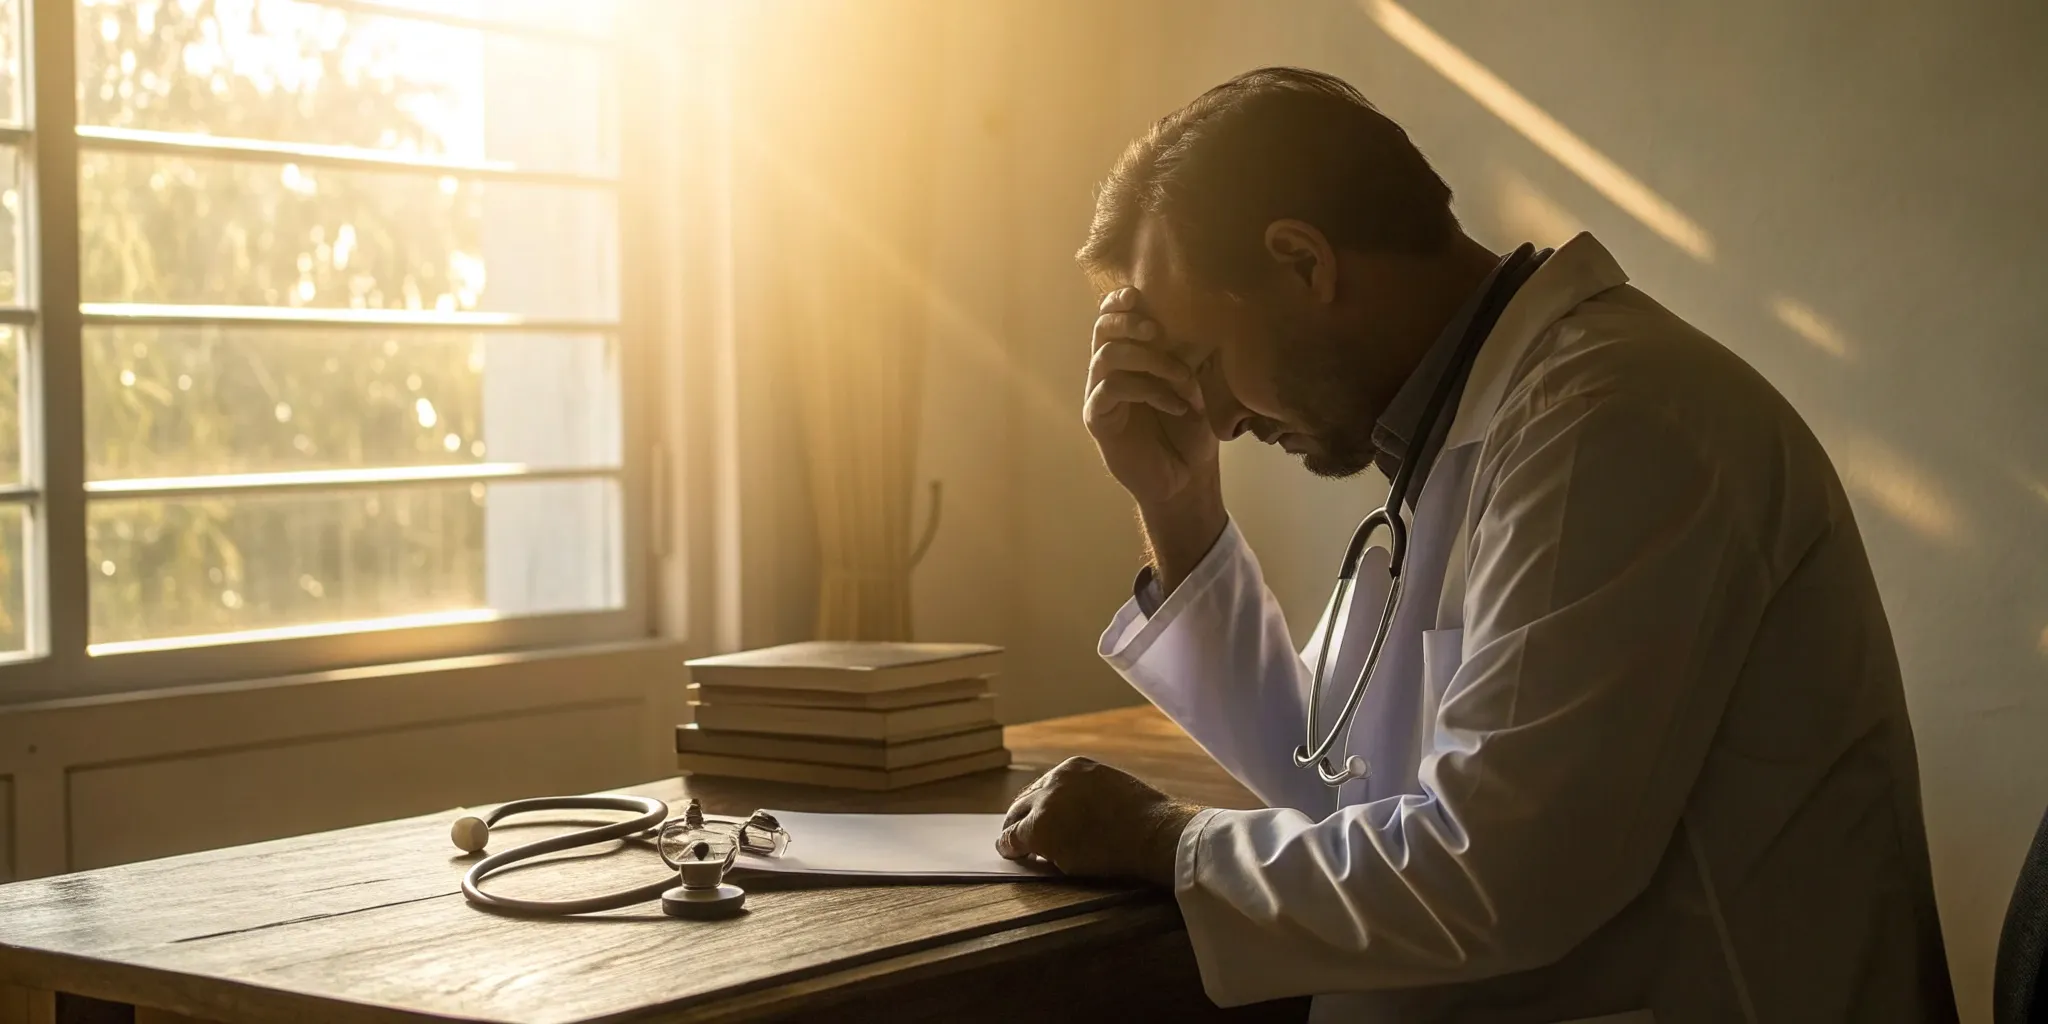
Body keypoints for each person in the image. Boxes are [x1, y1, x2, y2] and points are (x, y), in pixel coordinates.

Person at [994, 67, 1957, 1022]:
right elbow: (1328, 788)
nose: (1212, 414)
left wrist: (1170, 841)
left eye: (1203, 362)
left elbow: (1495, 874)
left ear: (1303, 263)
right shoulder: (1462, 443)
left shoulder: (1612, 422)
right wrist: (1178, 501)